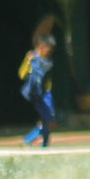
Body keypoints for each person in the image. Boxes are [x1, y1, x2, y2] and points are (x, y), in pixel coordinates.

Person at [20, 20, 56, 149]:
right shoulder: (32, 58)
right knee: (50, 122)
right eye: (48, 48)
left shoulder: (48, 60)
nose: (50, 51)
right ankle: (28, 139)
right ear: (41, 46)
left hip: (47, 94)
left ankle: (44, 144)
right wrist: (29, 63)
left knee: (48, 122)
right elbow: (22, 74)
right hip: (38, 95)